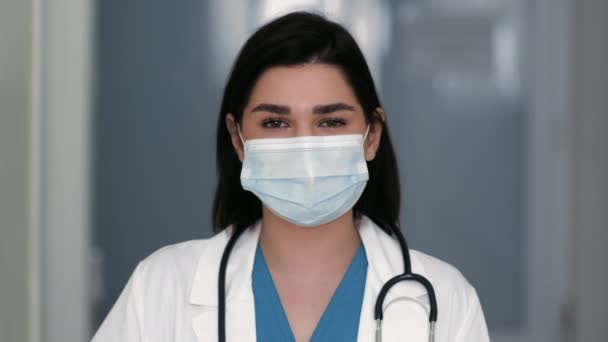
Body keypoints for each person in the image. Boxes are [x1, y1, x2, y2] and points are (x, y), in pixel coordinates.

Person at [92, 11, 490, 342]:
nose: (305, 146)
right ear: (238, 138)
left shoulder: (444, 296)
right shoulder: (161, 287)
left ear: (372, 137)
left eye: (331, 121)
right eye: (276, 123)